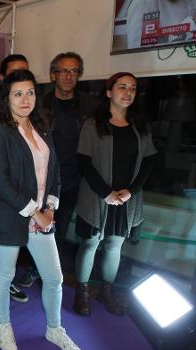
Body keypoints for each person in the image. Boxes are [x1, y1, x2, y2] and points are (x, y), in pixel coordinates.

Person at [0, 69, 83, 350]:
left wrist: (50, 206)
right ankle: (4, 325)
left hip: (42, 216)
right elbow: (0, 181)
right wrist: (34, 213)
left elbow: (54, 173)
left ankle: (55, 329)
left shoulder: (42, 128)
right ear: (7, 98)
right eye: (18, 93)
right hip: (10, 215)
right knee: (4, 274)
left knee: (54, 278)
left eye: (30, 92)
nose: (25, 99)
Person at [73, 72, 156, 316]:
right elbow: (83, 161)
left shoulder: (141, 125)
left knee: (114, 246)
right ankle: (82, 292)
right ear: (109, 92)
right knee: (89, 244)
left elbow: (150, 160)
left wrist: (132, 190)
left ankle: (106, 292)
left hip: (127, 198)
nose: (128, 92)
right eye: (122, 87)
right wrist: (105, 192)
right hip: (96, 195)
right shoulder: (93, 124)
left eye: (132, 88)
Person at [17, 51, 97, 288]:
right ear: (53, 75)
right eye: (63, 70)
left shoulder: (90, 107)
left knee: (58, 227)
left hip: (73, 178)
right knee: (34, 225)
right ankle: (32, 267)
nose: (68, 76)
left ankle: (48, 272)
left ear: (79, 75)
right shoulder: (39, 104)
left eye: (73, 71)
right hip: (42, 178)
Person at [0, 54, 31, 306]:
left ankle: (6, 281)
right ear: (2, 79)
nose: (19, 81)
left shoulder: (32, 116)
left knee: (13, 243)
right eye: (13, 75)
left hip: (23, 190)